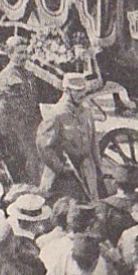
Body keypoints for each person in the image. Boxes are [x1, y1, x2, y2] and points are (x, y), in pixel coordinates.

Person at [36, 72, 102, 200]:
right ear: (66, 91)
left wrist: (98, 168)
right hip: (63, 177)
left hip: (86, 171)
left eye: (83, 90)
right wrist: (62, 169)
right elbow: (44, 147)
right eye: (77, 91)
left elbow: (93, 142)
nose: (82, 94)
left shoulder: (86, 111)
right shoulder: (55, 114)